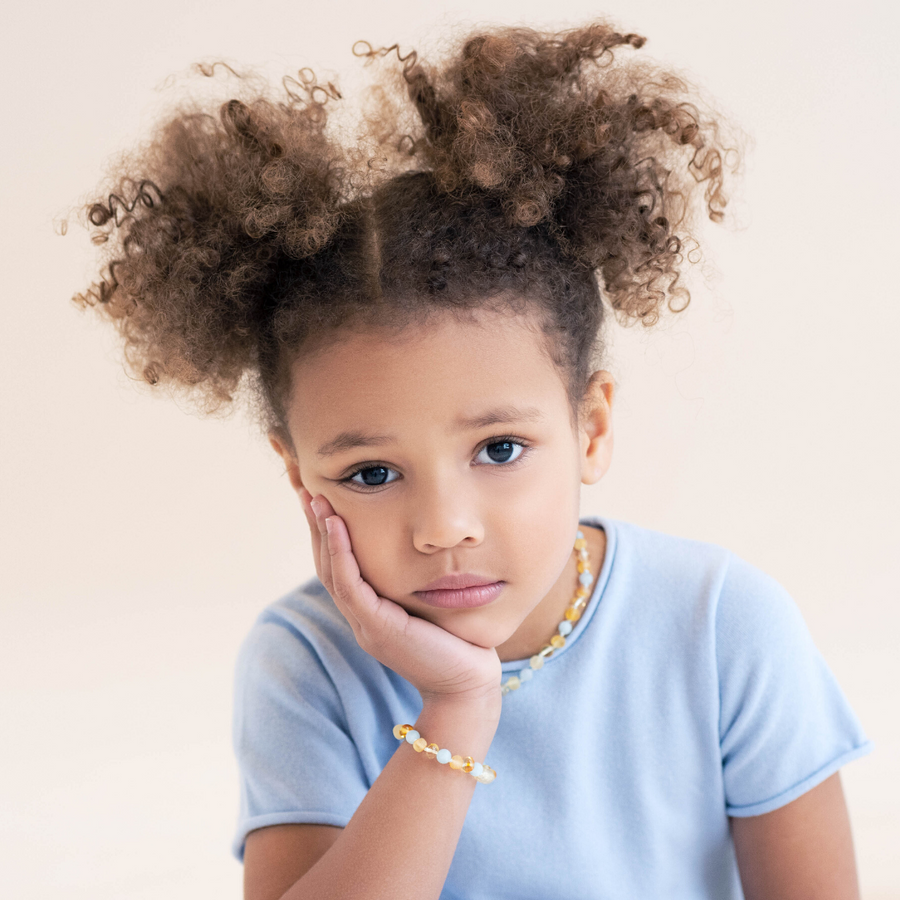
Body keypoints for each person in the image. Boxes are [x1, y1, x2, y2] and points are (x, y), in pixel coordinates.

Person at [70, 19, 874, 900]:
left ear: (592, 427)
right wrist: (457, 710)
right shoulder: (305, 662)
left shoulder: (723, 627)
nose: (444, 528)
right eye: (371, 473)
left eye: (499, 449)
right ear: (299, 476)